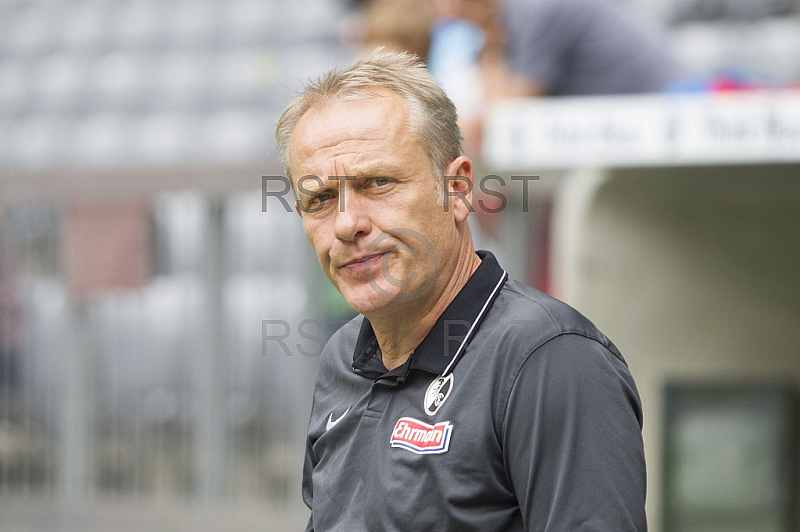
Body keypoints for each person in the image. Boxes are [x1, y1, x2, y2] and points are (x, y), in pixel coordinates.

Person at [275, 50, 647, 531]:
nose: (347, 224)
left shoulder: (552, 362)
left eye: (378, 182)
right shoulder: (342, 359)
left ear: (457, 189)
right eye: (320, 199)